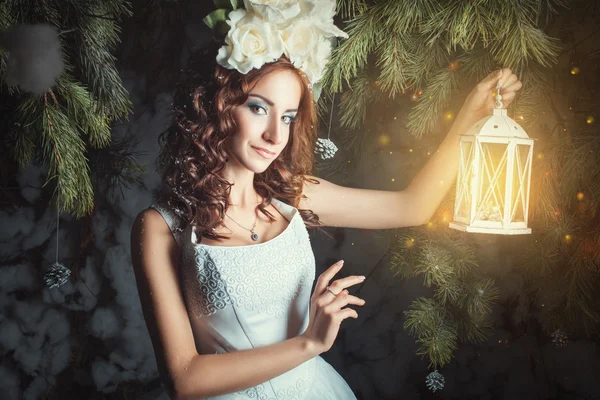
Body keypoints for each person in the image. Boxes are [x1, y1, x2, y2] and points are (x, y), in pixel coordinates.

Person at [130, 2, 523, 399]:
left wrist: (470, 119)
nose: (275, 135)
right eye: (257, 108)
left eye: (287, 116)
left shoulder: (291, 194)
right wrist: (310, 344)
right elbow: (184, 379)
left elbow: (412, 207)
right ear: (215, 102)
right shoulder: (160, 226)